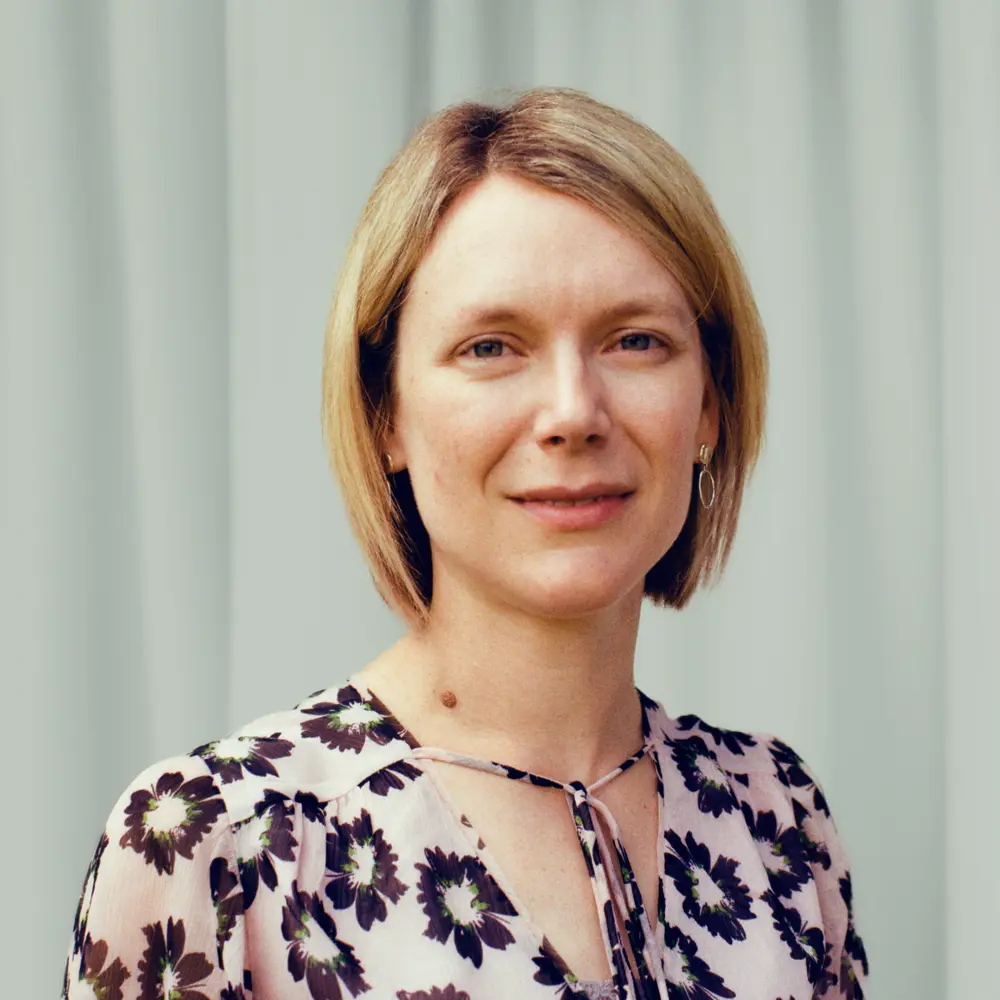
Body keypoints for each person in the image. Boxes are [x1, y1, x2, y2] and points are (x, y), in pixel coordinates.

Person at [64, 87, 868, 1000]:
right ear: (386, 416)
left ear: (711, 405)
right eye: (491, 347)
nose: (573, 412)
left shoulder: (776, 821)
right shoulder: (218, 846)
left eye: (636, 340)